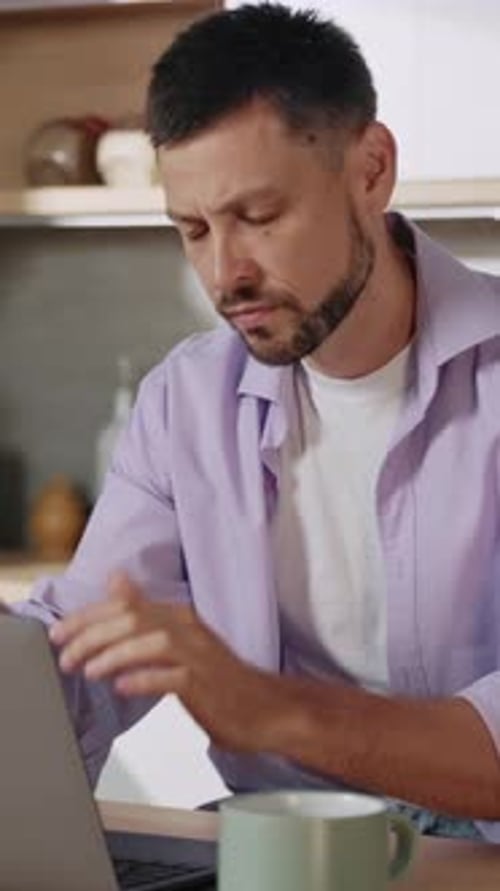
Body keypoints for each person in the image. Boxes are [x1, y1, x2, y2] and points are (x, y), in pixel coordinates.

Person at [14, 3, 500, 841]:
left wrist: (270, 711)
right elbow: (81, 652)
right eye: (192, 230)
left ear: (372, 169)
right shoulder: (187, 404)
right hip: (276, 848)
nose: (225, 272)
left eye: (260, 217)